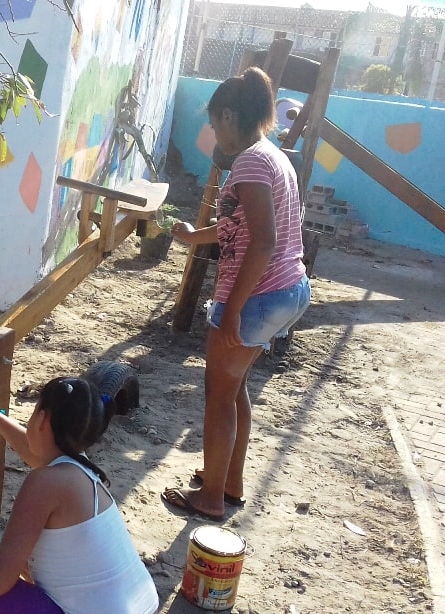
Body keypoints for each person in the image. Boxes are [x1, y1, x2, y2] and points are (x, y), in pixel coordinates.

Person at [163, 66, 311, 522]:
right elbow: (239, 227)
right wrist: (194, 236)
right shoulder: (273, 156)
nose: (212, 133)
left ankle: (210, 499)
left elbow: (263, 242)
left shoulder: (249, 161)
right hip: (287, 289)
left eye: (212, 123)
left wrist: (233, 313)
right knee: (234, 388)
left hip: (258, 296)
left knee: (218, 394)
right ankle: (227, 482)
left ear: (229, 115)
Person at [0, 375, 159, 614]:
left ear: (42, 418)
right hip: (143, 606)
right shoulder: (81, 469)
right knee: (26, 563)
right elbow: (33, 450)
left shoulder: (45, 483)